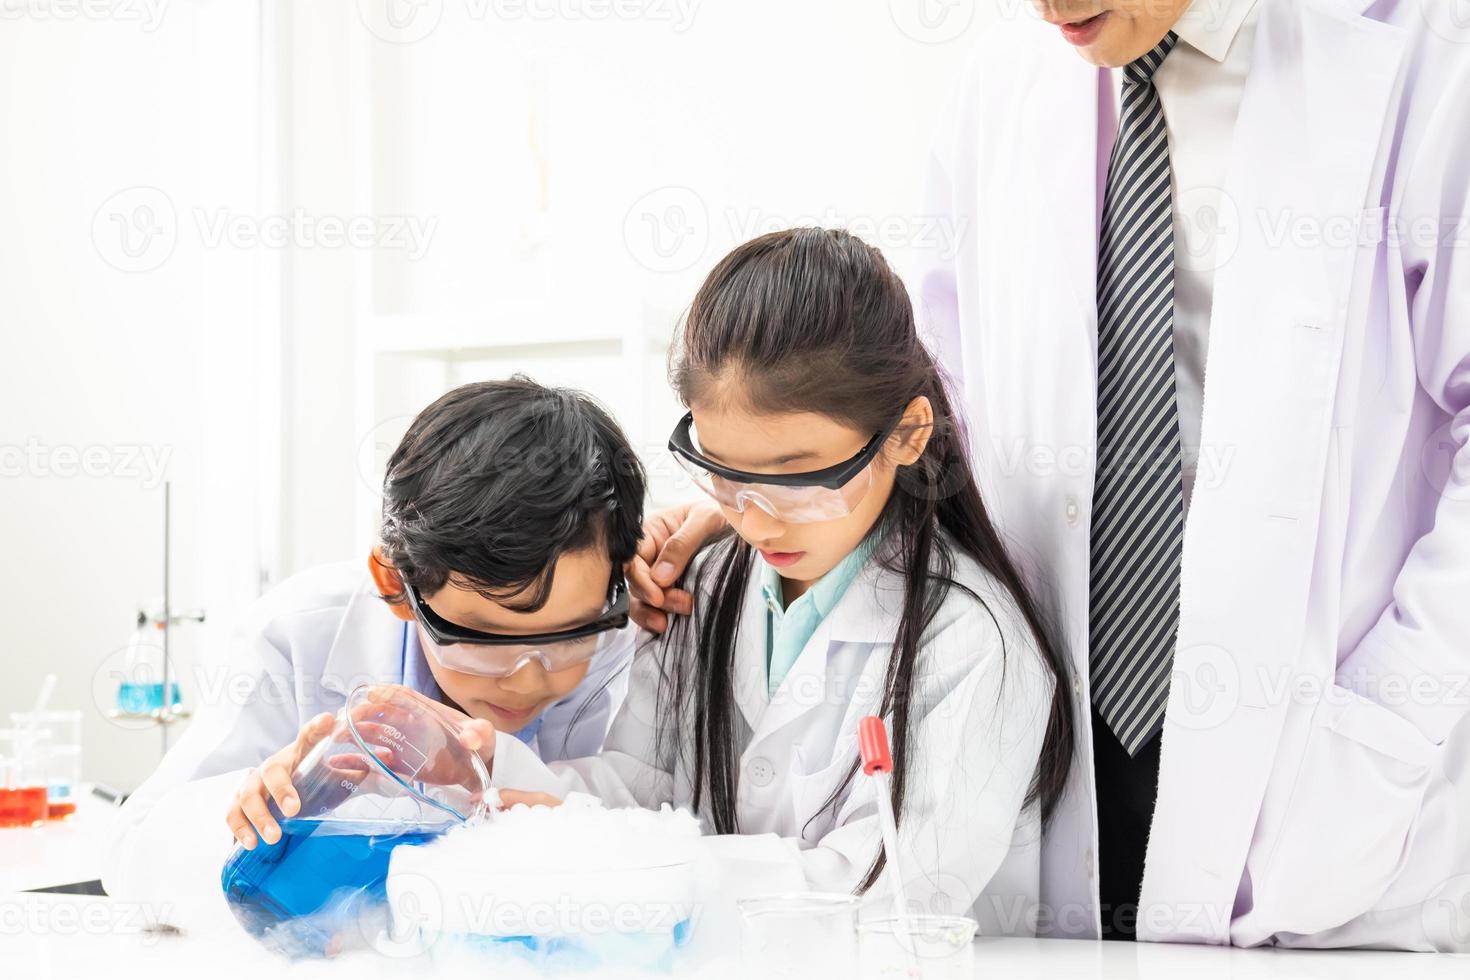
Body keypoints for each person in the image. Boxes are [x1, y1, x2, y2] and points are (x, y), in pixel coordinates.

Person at [634, 0, 1470, 952]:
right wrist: (758, 502)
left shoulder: (1427, 58)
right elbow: (934, 403)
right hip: (1066, 734)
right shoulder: (1004, 82)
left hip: (1323, 770)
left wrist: (1392, 716)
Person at [488, 228, 1076, 931]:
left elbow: (885, 898)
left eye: (797, 479)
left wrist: (649, 866)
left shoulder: (971, 643)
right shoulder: (704, 586)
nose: (758, 523)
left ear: (907, 435)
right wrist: (490, 774)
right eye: (727, 477)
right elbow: (642, 790)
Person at [102, 378, 646, 906]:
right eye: (485, 639)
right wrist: (251, 805)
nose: (528, 677)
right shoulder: (300, 634)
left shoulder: (637, 637)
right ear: (396, 587)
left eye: (572, 635)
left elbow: (675, 829)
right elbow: (128, 857)